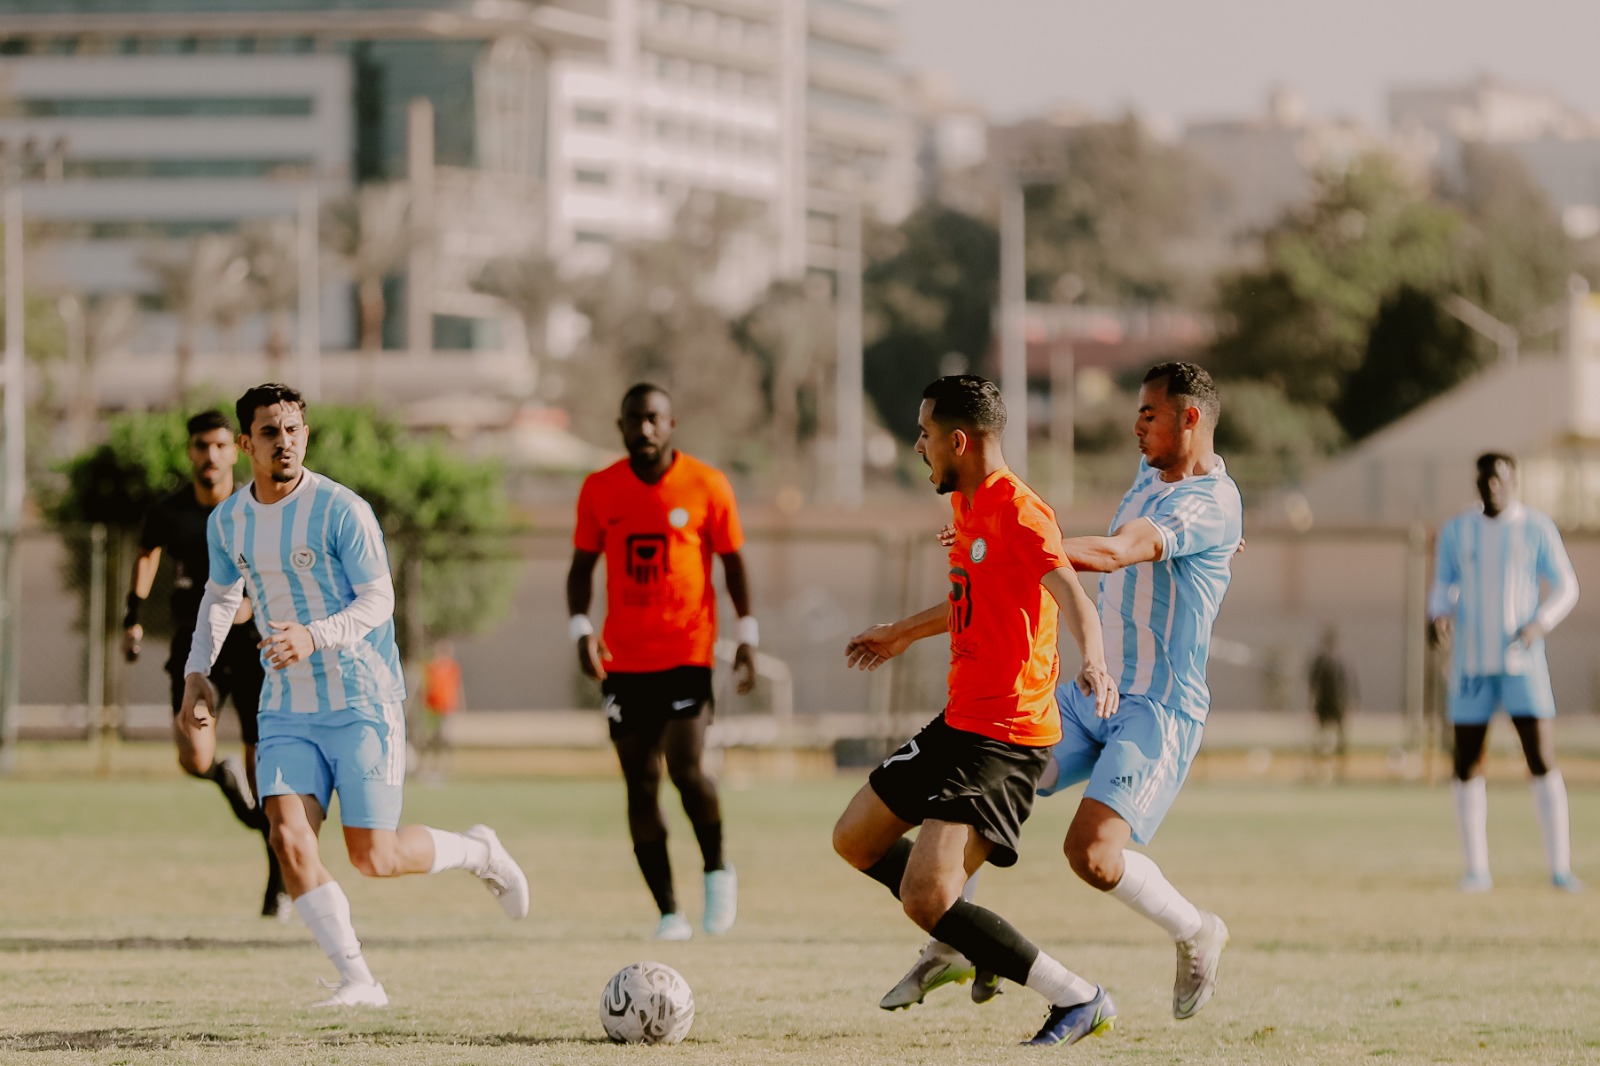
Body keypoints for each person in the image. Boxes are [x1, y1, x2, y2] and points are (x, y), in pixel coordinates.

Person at [882, 362, 1242, 1028]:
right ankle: (953, 937)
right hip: (1089, 695)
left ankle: (1196, 930)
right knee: (992, 782)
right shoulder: (1154, 477)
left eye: (1150, 414)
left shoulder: (1210, 503)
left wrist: (1001, 541)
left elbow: (1112, 554)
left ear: (1190, 419)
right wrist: (1000, 540)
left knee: (1092, 856)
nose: (1136, 426)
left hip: (1157, 708)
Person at [180, 383, 530, 1007]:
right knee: (287, 839)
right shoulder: (228, 521)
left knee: (375, 856)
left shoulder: (341, 509)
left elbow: (379, 600)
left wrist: (313, 635)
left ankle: (478, 851)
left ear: (305, 435)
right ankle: (359, 981)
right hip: (286, 708)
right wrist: (197, 672)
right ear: (245, 445)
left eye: (293, 430)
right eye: (269, 432)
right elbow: (221, 595)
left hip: (363, 701)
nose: (284, 442)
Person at [834, 375, 1122, 1048]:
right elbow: (975, 598)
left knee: (925, 896)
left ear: (959, 441)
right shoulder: (968, 504)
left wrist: (1094, 662)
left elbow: (1073, 596)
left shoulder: (1021, 513)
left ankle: (1078, 997)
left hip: (1005, 738)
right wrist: (901, 632)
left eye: (926, 434)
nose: (919, 446)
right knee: (855, 838)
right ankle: (964, 937)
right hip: (960, 720)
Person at [566, 382, 755, 941]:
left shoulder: (707, 484)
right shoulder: (600, 488)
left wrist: (748, 634)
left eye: (654, 418)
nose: (644, 428)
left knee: (686, 768)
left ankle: (717, 868)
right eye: (634, 419)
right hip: (624, 661)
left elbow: (734, 563)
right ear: (620, 426)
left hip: (687, 654)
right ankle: (669, 912)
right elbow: (581, 567)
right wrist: (581, 629)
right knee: (640, 783)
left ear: (672, 424)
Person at [122, 409, 283, 917]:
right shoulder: (169, 511)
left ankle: (278, 885)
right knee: (194, 757)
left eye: (218, 445)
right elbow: (147, 553)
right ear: (190, 452)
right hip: (196, 650)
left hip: (252, 649)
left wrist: (255, 603)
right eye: (200, 446)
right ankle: (222, 775)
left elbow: (281, 566)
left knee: (265, 778)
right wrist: (132, 617)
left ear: (235, 450)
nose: (209, 455)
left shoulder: (255, 507)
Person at [1428, 452, 1581, 893]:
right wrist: (1438, 615)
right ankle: (1476, 871)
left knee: (1541, 759)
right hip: (1471, 665)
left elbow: (1567, 585)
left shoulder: (1536, 528)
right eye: (1485, 479)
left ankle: (1560, 869)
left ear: (1513, 481)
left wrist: (1540, 622)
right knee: (1466, 762)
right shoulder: (1458, 531)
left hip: (1521, 662)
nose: (1491, 486)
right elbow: (1443, 585)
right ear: (1477, 483)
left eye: (1499, 478)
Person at [1308, 625, 1352, 781]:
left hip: (1337, 704)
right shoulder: (1320, 661)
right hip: (1324, 703)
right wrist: (1313, 703)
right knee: (1321, 736)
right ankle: (1318, 766)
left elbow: (1347, 683)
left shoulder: (1340, 661)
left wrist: (1348, 702)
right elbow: (1313, 683)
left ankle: (1341, 768)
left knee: (1340, 737)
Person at [417, 641, 464, 784]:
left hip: (446, 708)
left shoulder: (453, 668)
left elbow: (457, 687)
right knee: (430, 738)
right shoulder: (431, 668)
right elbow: (425, 687)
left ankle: (443, 767)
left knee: (445, 737)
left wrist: (460, 704)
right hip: (431, 708)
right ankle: (426, 766)